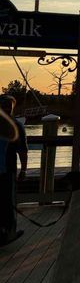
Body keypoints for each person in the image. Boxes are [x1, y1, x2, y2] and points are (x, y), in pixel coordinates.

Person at [0, 95, 27, 247]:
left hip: (6, 169)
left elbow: (22, 151)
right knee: (7, 202)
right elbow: (22, 151)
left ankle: (6, 232)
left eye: (7, 106)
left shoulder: (16, 126)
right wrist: (23, 170)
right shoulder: (16, 125)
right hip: (6, 169)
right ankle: (7, 232)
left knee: (6, 202)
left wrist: (23, 170)